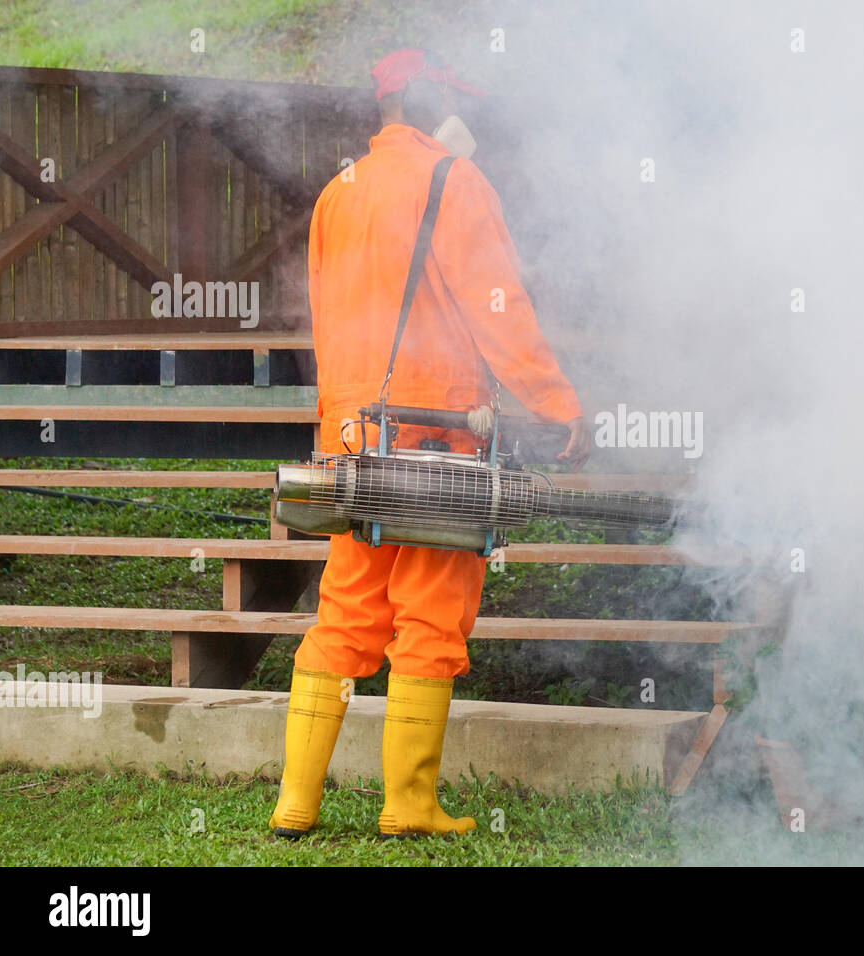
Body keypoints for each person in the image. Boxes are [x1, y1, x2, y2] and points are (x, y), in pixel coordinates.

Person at [270, 48, 591, 839]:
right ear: (424, 98)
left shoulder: (335, 194)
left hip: (353, 440)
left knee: (345, 613)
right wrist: (556, 406)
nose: (467, 116)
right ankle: (408, 804)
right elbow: (499, 307)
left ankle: (296, 804)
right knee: (431, 615)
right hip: (438, 432)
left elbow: (326, 323)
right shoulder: (455, 180)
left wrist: (335, 431)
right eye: (456, 98)